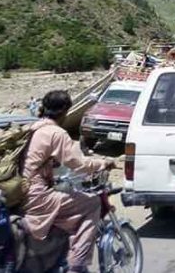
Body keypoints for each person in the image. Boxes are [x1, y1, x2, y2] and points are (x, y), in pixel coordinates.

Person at [23, 90, 116, 273]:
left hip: (23, 191)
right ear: (65, 110)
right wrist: (102, 163)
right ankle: (77, 265)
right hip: (38, 195)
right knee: (91, 203)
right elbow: (77, 164)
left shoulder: (33, 128)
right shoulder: (56, 133)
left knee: (68, 202)